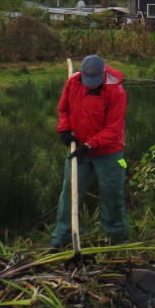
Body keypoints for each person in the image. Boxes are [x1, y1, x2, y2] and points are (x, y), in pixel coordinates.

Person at [51, 55, 129, 248]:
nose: (91, 86)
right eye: (88, 82)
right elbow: (63, 110)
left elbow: (113, 129)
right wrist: (65, 132)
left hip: (109, 152)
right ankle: (61, 239)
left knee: (111, 194)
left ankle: (116, 239)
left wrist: (89, 145)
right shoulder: (73, 83)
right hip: (78, 150)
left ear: (103, 74)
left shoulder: (116, 92)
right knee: (70, 192)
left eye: (94, 83)